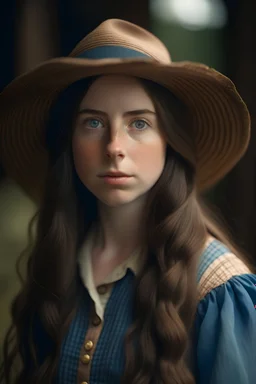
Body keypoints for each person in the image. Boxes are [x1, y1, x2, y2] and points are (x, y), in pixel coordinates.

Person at [0, 18, 255, 384]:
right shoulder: (60, 259)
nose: (114, 148)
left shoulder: (218, 288)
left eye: (139, 123)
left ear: (171, 140)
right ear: (69, 141)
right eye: (93, 123)